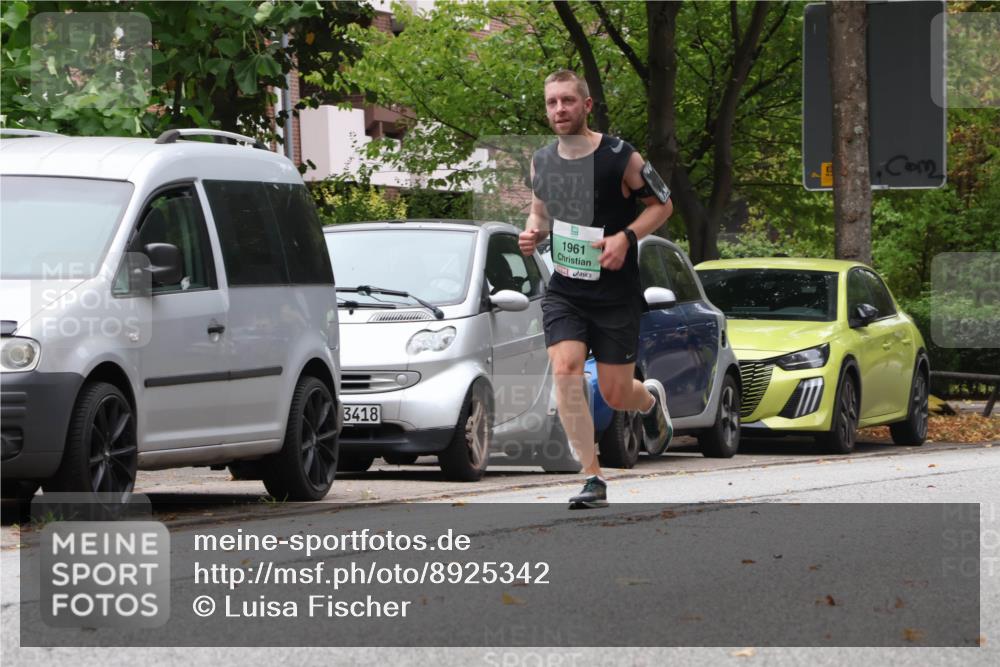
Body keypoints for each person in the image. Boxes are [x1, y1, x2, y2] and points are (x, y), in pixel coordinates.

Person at [519, 69, 674, 509]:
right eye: (552, 103)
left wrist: (626, 237)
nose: (559, 110)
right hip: (566, 289)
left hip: (616, 294)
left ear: (586, 106)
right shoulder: (541, 161)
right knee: (566, 370)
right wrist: (532, 234)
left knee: (614, 392)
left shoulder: (621, 157)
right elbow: (539, 213)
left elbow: (663, 205)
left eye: (568, 101)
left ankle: (649, 402)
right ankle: (592, 477)